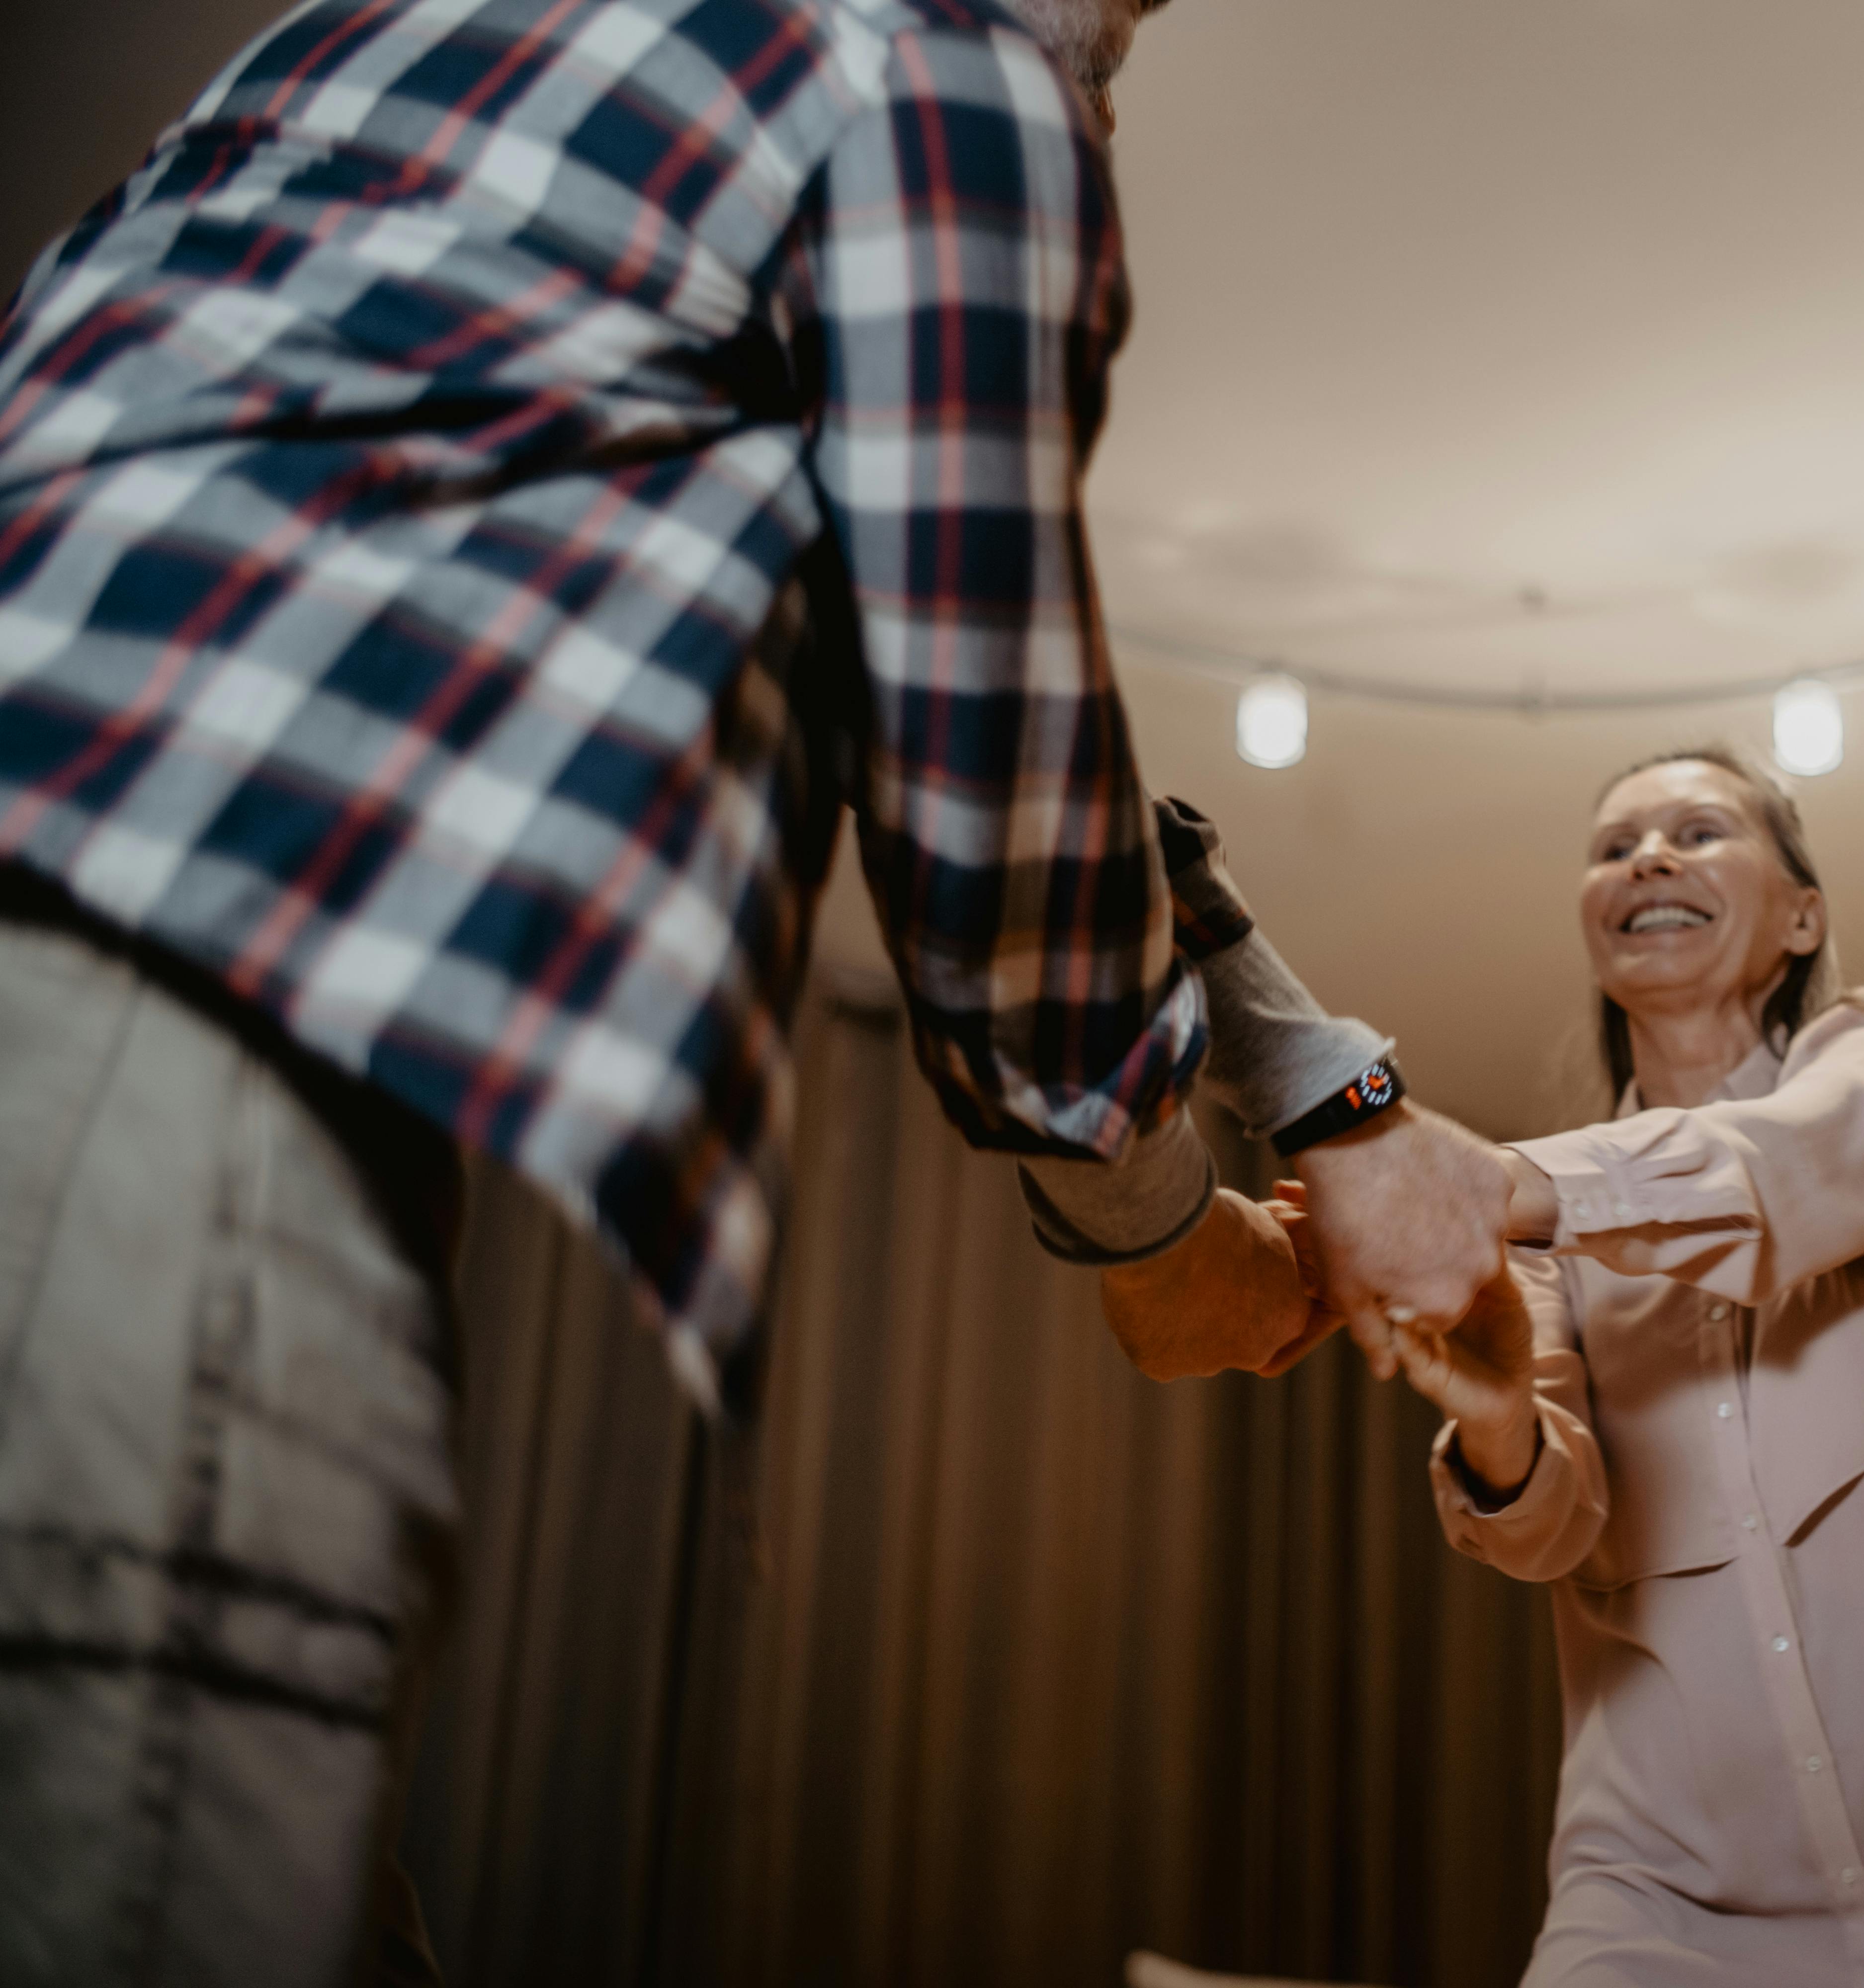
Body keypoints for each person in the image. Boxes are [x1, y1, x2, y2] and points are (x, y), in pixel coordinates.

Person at [0, 1, 1506, 1979]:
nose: (1110, 103)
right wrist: (1176, 1250)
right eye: (1124, 41)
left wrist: (1317, 1084)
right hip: (167, 1046)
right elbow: (978, 723)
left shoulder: (391, 29)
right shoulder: (939, 66)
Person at [1364, 747, 1864, 1988]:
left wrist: (1501, 1184)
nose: (1647, 857)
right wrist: (1499, 1428)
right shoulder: (1539, 1251)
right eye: (1614, 846)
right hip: (1652, 1885)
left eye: (1699, 831)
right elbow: (1549, 1523)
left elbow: (1800, 1162)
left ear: (1804, 914)